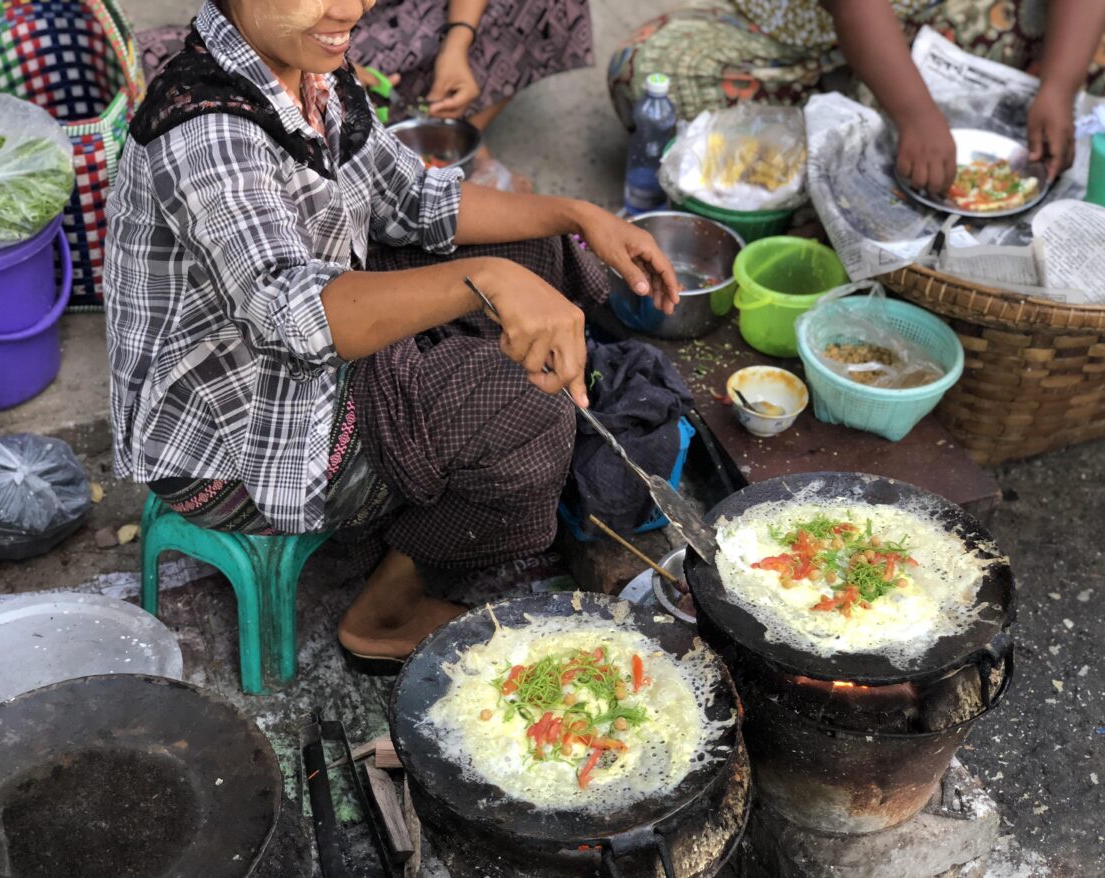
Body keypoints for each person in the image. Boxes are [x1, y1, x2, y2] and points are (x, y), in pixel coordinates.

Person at [105, 0, 678, 668]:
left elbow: (410, 197)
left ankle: (451, 441)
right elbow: (294, 316)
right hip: (235, 439)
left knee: (542, 255)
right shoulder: (206, 133)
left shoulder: (307, 69)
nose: (351, 9)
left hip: (298, 345)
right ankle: (385, 611)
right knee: (524, 408)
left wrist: (574, 214)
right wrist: (484, 283)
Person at [608, 0, 1105, 195]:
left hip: (953, 18)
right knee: (646, 72)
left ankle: (852, 136)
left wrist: (1058, 85)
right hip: (804, 32)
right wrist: (915, 113)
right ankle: (863, 120)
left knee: (1098, 57)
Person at [137, 0, 595, 130]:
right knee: (150, 66)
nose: (353, 10)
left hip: (408, 20)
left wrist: (458, 42)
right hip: (319, 34)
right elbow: (296, 310)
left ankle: (451, 128)